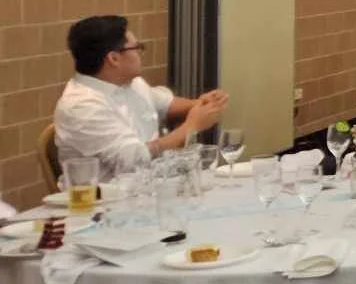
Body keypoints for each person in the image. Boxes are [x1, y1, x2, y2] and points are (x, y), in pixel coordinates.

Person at [54, 15, 228, 174]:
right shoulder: (82, 106)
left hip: (152, 185)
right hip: (106, 195)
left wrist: (201, 104)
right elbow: (134, 160)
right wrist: (191, 126)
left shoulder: (130, 83)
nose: (140, 54)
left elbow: (166, 104)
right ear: (114, 59)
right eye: (137, 48)